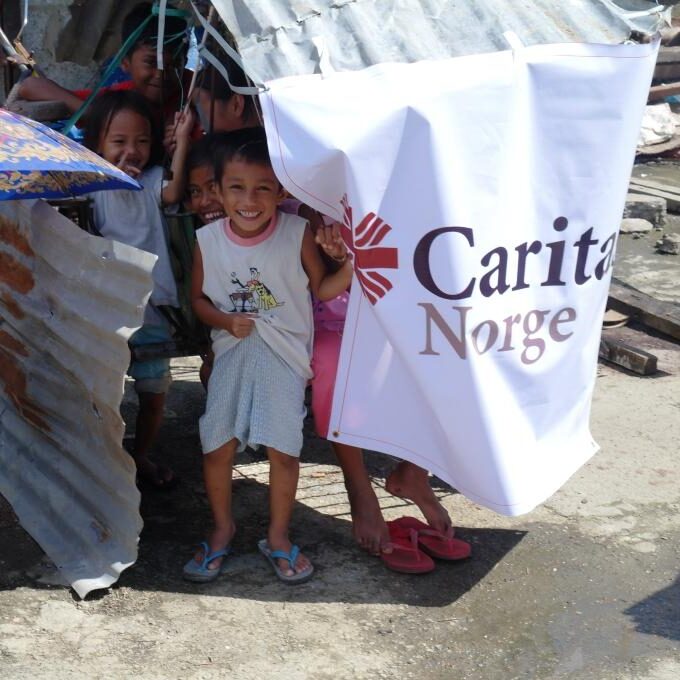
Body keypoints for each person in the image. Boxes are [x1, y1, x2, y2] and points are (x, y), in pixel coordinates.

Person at [184, 128, 352, 583]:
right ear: (218, 191)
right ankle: (222, 529)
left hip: (283, 360)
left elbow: (322, 289)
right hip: (233, 355)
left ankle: (278, 536)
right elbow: (197, 300)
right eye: (237, 187)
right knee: (216, 446)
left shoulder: (297, 232)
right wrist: (223, 321)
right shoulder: (208, 240)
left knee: (283, 450)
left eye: (263, 188)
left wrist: (351, 264)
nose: (250, 199)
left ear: (281, 191)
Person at [83, 89, 194, 488]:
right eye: (119, 142)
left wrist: (180, 143)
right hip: (107, 310)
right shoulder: (90, 186)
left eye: (142, 141)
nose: (132, 150)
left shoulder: (151, 182)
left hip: (152, 308)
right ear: (97, 143)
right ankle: (108, 458)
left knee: (153, 391)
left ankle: (141, 455)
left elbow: (175, 191)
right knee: (106, 394)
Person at [18, 3, 188, 129]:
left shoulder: (190, 98)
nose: (161, 73)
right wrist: (99, 117)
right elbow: (29, 86)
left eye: (174, 64)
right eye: (151, 62)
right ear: (125, 63)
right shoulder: (119, 99)